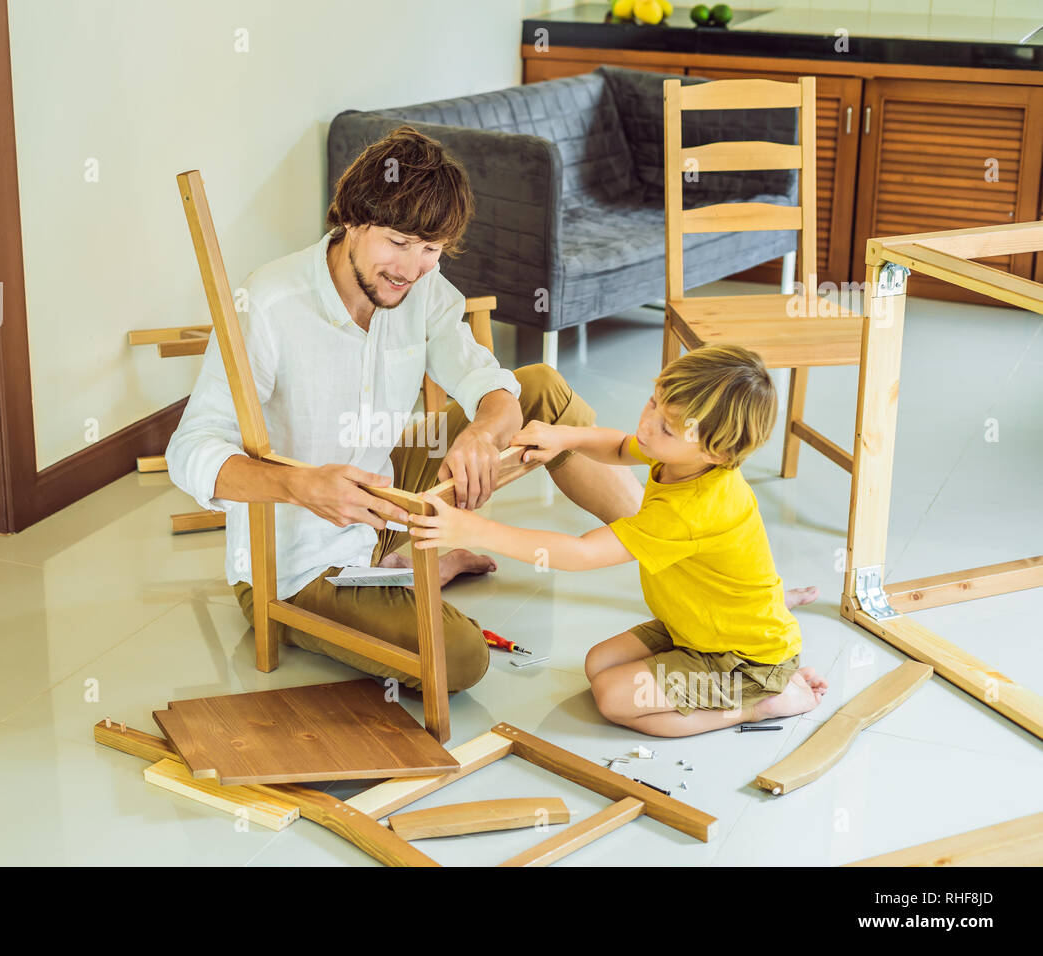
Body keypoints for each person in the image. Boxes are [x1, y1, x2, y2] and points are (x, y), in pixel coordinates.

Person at [167, 125, 643, 692]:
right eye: (398, 242)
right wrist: (303, 486)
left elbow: (491, 385)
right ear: (351, 219)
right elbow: (190, 451)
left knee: (539, 389)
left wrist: (483, 433)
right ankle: (405, 574)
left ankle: (668, 544)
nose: (412, 269)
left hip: (386, 500)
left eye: (431, 249)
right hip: (297, 562)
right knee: (459, 657)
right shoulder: (268, 302)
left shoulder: (422, 285)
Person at [408, 344, 827, 735]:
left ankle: (761, 704)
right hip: (697, 631)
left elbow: (583, 552)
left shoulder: (691, 510)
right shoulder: (681, 453)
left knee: (613, 698)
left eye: (666, 427)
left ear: (715, 452)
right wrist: (565, 437)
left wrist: (478, 530)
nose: (646, 425)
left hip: (744, 661)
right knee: (598, 663)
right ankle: (746, 684)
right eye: (653, 402)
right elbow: (622, 446)